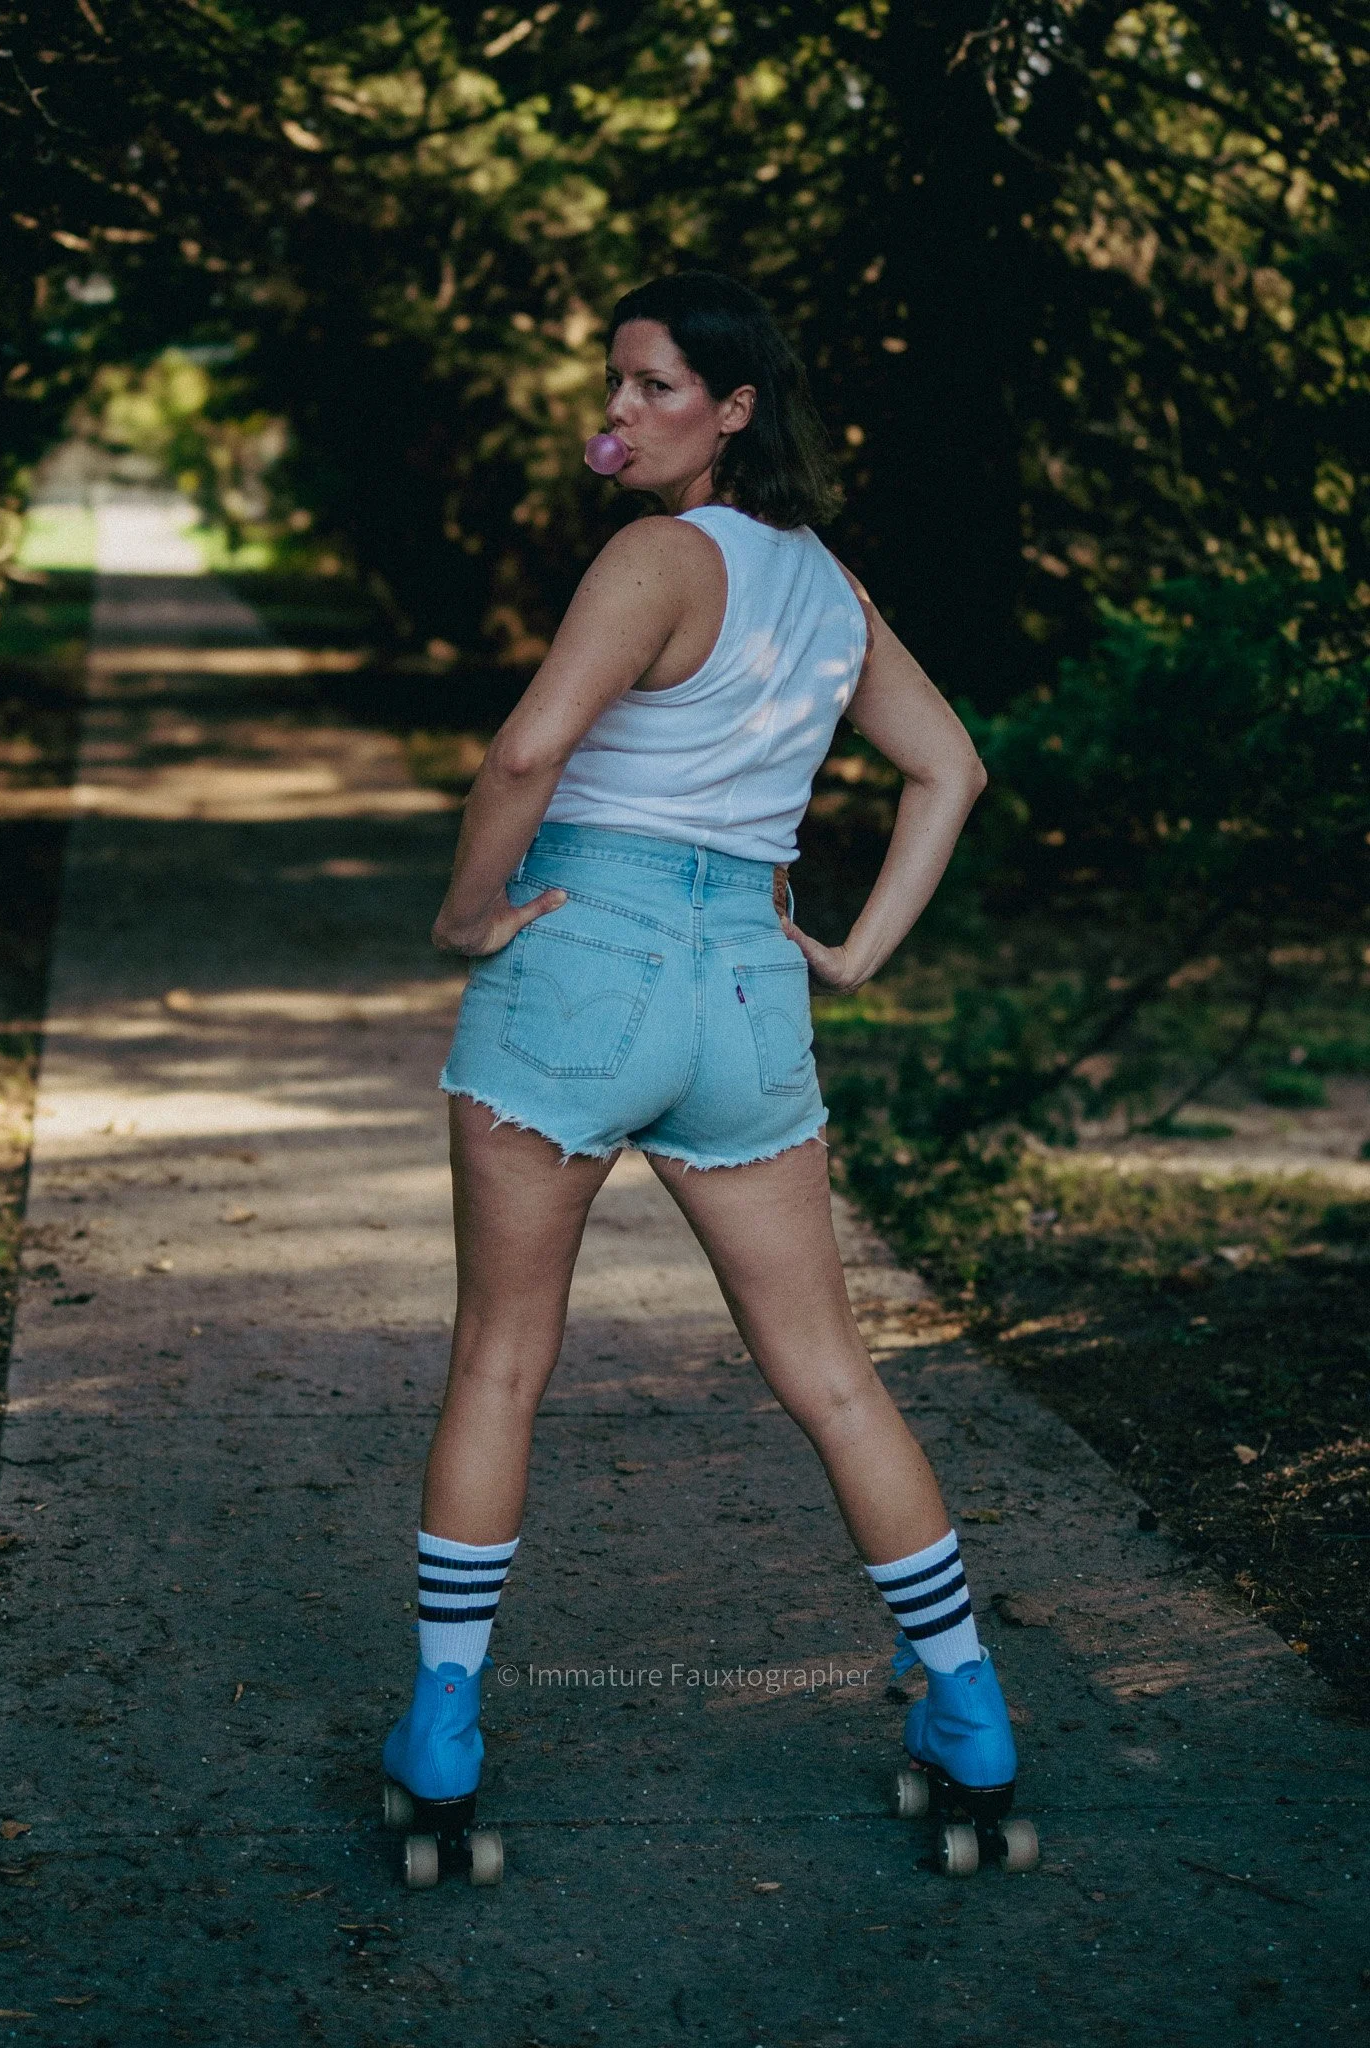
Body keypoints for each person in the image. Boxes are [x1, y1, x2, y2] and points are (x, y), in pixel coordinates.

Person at [381, 270, 1029, 1887]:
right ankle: (969, 1709)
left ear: (733, 409)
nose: (619, 414)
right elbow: (948, 766)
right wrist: (859, 953)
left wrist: (469, 911)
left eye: (655, 387)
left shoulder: (653, 558)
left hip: (581, 965)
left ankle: (444, 1731)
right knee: (829, 1373)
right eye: (615, 385)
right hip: (748, 985)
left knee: (502, 1364)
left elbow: (529, 752)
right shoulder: (828, 590)